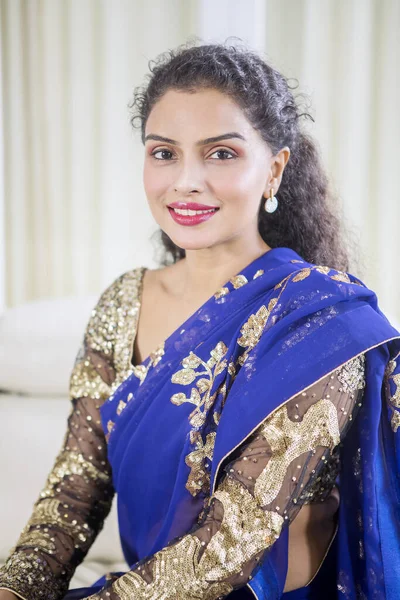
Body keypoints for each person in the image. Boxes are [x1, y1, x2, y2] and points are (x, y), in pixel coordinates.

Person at [0, 41, 399, 600]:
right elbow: (72, 497)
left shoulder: (319, 321)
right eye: (164, 153)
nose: (186, 181)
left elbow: (228, 547)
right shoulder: (123, 303)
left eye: (221, 154)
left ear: (274, 170)